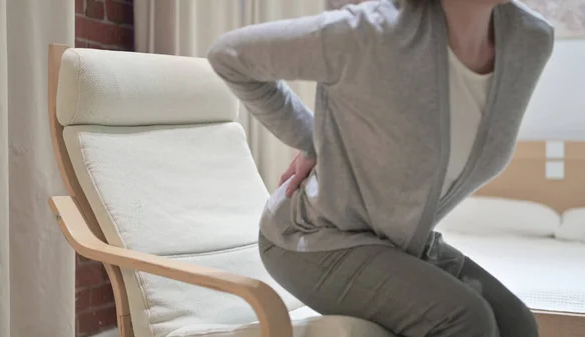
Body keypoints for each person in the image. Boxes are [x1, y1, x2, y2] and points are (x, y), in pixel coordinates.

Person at [208, 0, 554, 336]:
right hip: (311, 237)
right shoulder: (370, 32)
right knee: (465, 319)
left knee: (517, 324)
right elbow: (230, 55)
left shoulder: (528, 39)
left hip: (397, 240)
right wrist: (313, 141)